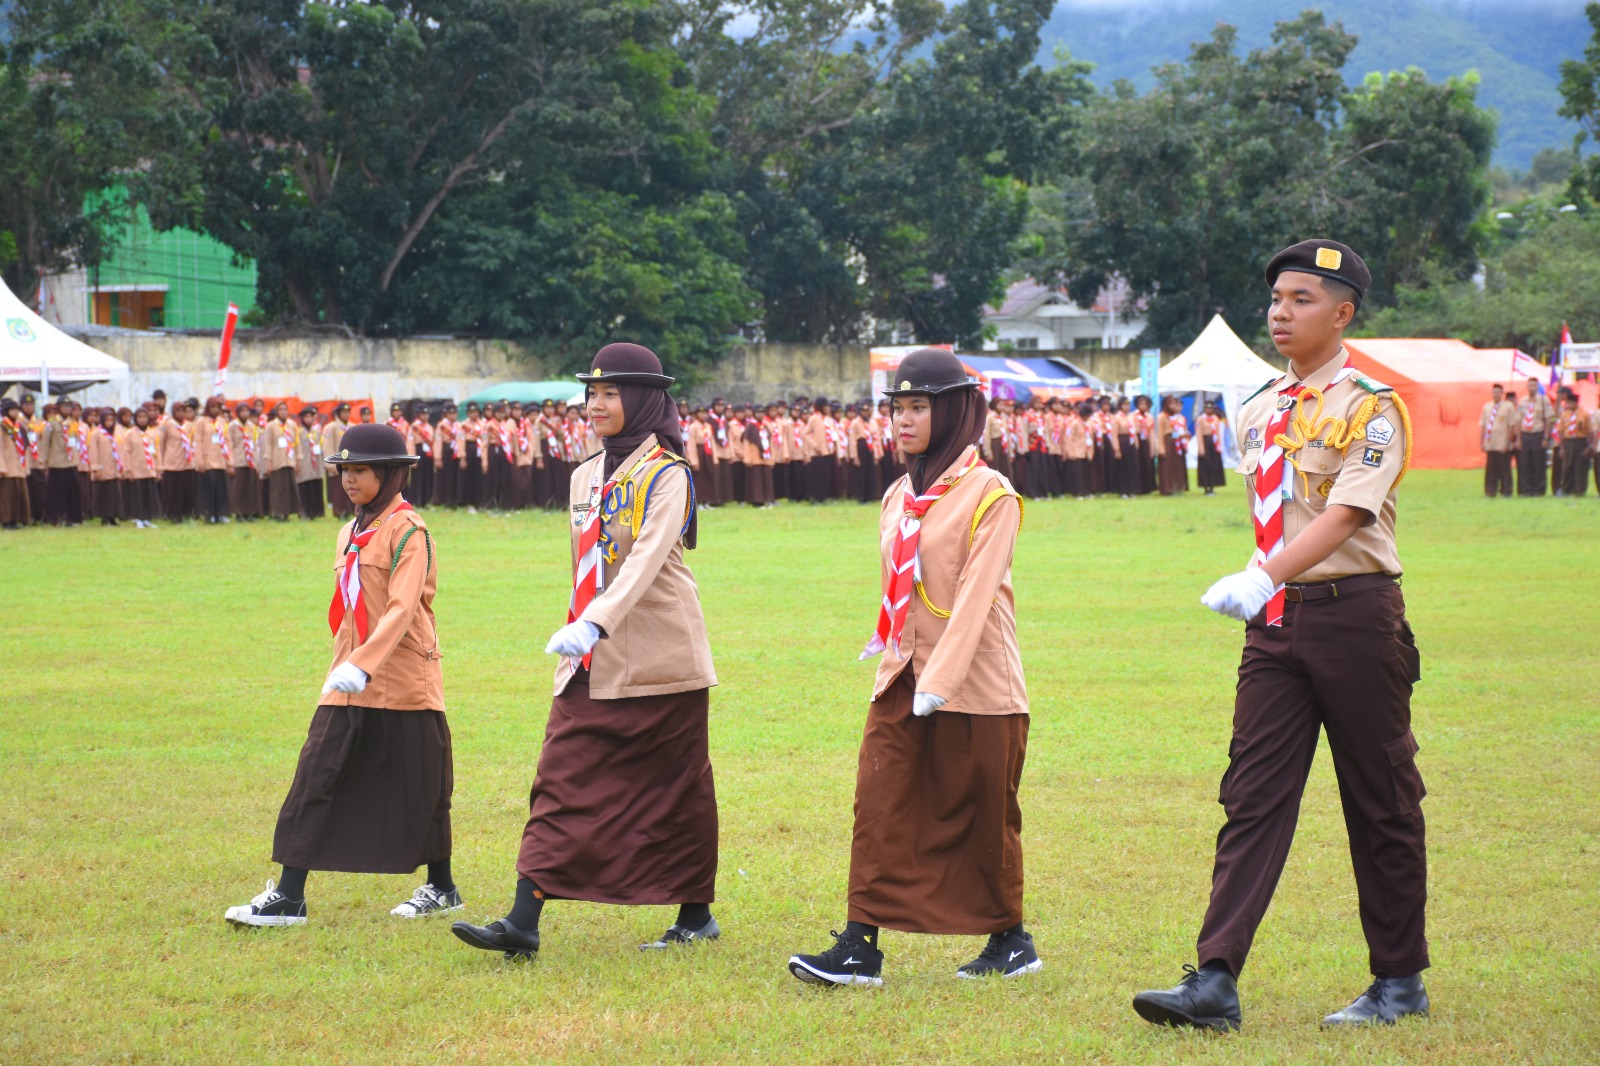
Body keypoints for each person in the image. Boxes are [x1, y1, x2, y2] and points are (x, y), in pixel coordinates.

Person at [1132, 239, 1428, 1032]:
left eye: (1301, 299)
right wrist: (1265, 584)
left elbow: (1346, 514)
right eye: (1275, 299)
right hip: (1276, 623)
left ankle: (1398, 980)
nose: (1281, 312)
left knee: (1381, 799)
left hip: (1357, 616)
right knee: (1252, 796)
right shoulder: (1263, 405)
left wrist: (1264, 575)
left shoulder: (1372, 405)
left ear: (1343, 313)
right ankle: (1215, 980)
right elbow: (1278, 514)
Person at [450, 342, 719, 960]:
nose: (593, 404)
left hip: (661, 659)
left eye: (608, 394)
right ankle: (523, 918)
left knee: (676, 788)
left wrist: (595, 623)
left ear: (643, 400)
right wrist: (581, 626)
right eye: (590, 393)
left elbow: (649, 559)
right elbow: (583, 564)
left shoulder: (668, 474)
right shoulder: (584, 473)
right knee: (560, 777)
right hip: (589, 658)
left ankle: (695, 912)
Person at [788, 347, 1036, 987]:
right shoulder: (900, 493)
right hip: (902, 676)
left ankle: (1009, 938)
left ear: (953, 412)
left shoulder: (992, 495)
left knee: (984, 810)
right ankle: (858, 945)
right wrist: (899, 662)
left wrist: (942, 682)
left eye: (918, 407)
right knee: (878, 803)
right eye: (896, 407)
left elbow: (979, 598)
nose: (902, 420)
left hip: (975, 686)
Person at [225, 423, 456, 927]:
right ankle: (289, 896)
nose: (349, 480)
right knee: (315, 774)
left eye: (360, 470)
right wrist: (345, 666)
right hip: (346, 682)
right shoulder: (349, 530)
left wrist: (363, 664)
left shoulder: (409, 531)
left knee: (424, 785)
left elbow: (402, 608)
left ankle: (442, 886)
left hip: (403, 679)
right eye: (344, 470)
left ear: (391, 473)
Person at [41, 402, 85, 526]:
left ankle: (72, 518)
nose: (67, 409)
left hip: (71, 462)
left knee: (73, 490)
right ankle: (55, 517)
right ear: (58, 408)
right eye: (64, 406)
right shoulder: (52, 423)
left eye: (68, 406)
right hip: (57, 462)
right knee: (57, 492)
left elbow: (76, 442)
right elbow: (45, 442)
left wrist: (78, 458)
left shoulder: (72, 423)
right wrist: (44, 460)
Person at [119, 407, 161, 528]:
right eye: (140, 417)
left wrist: (158, 469)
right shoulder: (130, 434)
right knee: (137, 495)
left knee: (148, 495)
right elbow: (126, 452)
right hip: (136, 469)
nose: (142, 420)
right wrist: (128, 469)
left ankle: (147, 518)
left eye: (144, 417)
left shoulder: (151, 433)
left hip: (149, 469)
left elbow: (156, 451)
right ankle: (138, 518)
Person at [195, 398, 234, 524]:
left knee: (221, 489)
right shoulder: (201, 422)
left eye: (217, 407)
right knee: (209, 489)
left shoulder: (222, 422)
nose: (215, 410)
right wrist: (199, 460)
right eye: (212, 407)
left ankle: (221, 513)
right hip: (208, 460)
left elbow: (228, 442)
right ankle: (210, 514)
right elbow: (198, 442)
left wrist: (230, 462)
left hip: (220, 459)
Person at [158, 401, 198, 521]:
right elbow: (161, 444)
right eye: (178, 411)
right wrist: (162, 463)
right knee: (174, 491)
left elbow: (193, 442)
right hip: (172, 462)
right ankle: (174, 514)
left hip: (187, 462)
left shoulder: (190, 426)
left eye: (183, 411)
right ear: (173, 412)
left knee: (188, 489)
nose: (181, 414)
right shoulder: (167, 425)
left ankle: (188, 512)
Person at [1516, 378, 1555, 496]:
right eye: (1529, 385)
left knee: (1538, 463)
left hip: (1538, 433)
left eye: (1534, 385)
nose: (1531, 387)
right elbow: (1518, 420)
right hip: (1525, 434)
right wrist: (1518, 438)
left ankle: (1539, 489)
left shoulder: (1544, 400)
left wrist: (1546, 437)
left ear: (1537, 386)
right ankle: (1526, 489)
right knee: (1525, 462)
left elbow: (1548, 419)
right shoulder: (1523, 401)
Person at [260, 402, 298, 521]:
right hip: (277, 462)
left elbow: (296, 444)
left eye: (285, 409)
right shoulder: (271, 426)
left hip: (289, 461)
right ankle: (276, 512)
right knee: (277, 489)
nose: (283, 412)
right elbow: (268, 444)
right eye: (281, 410)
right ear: (277, 412)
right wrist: (268, 462)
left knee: (288, 488)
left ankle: (286, 512)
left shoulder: (292, 425)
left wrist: (298, 459)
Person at [86, 409, 124, 526]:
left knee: (114, 493)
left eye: (112, 420)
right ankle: (105, 517)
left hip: (114, 467)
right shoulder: (96, 433)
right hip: (103, 466)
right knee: (104, 493)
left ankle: (113, 516)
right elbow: (93, 451)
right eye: (107, 420)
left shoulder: (116, 432)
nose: (109, 423)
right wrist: (95, 466)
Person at [1, 399, 35, 529]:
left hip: (19, 465)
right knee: (6, 496)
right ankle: (6, 520)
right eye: (12, 410)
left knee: (19, 495)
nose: (15, 412)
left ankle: (17, 520)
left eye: (16, 410)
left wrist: (25, 466)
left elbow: (25, 447)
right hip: (7, 467)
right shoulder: (3, 427)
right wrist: (2, 466)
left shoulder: (19, 427)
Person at [1479, 384, 1517, 498]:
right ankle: (1490, 491)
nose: (1495, 394)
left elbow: (1511, 425)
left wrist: (1508, 441)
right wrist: (1482, 442)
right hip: (1491, 443)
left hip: (1502, 443)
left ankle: (1506, 491)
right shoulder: (1487, 406)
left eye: (1498, 392)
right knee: (1491, 469)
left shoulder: (1508, 406)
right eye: (1494, 392)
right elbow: (1483, 425)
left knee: (1504, 468)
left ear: (1502, 393)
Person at [227, 403, 262, 521]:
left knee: (250, 488)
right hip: (238, 460)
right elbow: (229, 444)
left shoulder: (252, 426)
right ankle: (239, 513)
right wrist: (230, 462)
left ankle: (250, 512)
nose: (245, 414)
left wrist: (256, 461)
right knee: (239, 488)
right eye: (242, 411)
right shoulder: (232, 426)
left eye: (247, 411)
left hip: (250, 461)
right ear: (237, 413)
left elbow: (255, 444)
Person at [1556, 390, 1591, 497]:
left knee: (1580, 466)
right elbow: (1561, 431)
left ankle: (1579, 490)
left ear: (1576, 403)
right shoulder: (1564, 415)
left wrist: (1588, 446)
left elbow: (1589, 431)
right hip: (1568, 442)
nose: (1569, 405)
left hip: (1580, 442)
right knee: (1567, 466)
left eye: (1571, 403)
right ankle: (1566, 489)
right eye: (1568, 402)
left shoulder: (1584, 414)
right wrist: (1561, 447)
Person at [322, 404, 354, 519]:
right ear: (338, 414)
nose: (346, 414)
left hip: (350, 463)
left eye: (348, 412)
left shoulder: (352, 426)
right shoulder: (331, 427)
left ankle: (350, 511)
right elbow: (327, 445)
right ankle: (340, 512)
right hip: (337, 463)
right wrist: (330, 463)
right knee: (338, 490)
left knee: (351, 487)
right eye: (343, 412)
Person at [295, 406, 326, 519]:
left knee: (316, 485)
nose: (308, 419)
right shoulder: (298, 432)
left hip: (316, 463)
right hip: (304, 463)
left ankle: (317, 511)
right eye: (306, 417)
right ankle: (305, 512)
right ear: (302, 419)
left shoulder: (316, 431)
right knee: (305, 487)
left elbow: (321, 446)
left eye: (311, 417)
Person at [1157, 396, 1191, 496]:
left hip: (1176, 442)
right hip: (1167, 442)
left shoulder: (1176, 417)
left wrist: (1184, 436)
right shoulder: (1162, 417)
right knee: (1167, 466)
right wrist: (1161, 448)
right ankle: (1167, 489)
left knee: (1177, 465)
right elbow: (1160, 433)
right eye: (1170, 403)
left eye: (1174, 404)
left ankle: (1177, 487)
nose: (1173, 406)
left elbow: (1178, 430)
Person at [1195, 401, 1227, 495]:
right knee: (1205, 465)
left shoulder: (1215, 418)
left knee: (1214, 465)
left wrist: (1219, 445)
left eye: (1210, 408)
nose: (1209, 410)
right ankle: (1206, 488)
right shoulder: (1200, 419)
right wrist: (1201, 448)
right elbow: (1199, 434)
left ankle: (1212, 486)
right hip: (1205, 441)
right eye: (1207, 408)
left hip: (1214, 443)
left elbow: (1218, 432)